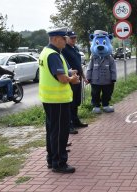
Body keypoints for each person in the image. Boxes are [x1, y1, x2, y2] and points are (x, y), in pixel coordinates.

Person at [38, 27, 80, 173]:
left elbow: (56, 72)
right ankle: (59, 163)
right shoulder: (54, 55)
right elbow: (62, 79)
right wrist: (72, 79)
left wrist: (69, 72)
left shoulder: (46, 52)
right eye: (64, 39)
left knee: (52, 130)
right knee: (60, 132)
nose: (66, 41)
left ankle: (51, 159)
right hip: (58, 100)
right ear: (56, 39)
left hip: (49, 100)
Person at [62, 30, 88, 135]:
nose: (74, 40)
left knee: (76, 101)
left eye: (75, 38)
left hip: (77, 78)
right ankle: (69, 125)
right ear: (66, 38)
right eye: (71, 38)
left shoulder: (75, 48)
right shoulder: (64, 50)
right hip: (70, 79)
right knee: (70, 102)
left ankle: (76, 121)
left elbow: (78, 65)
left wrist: (84, 77)